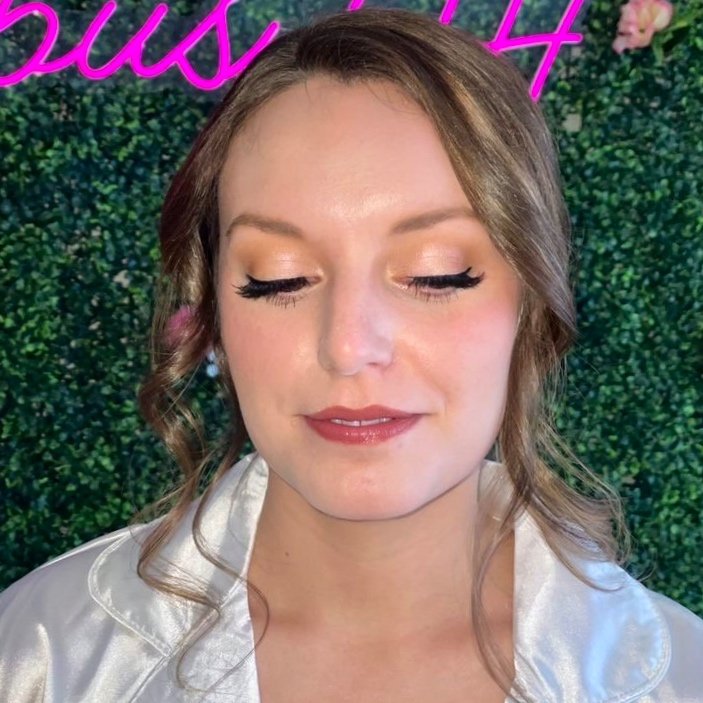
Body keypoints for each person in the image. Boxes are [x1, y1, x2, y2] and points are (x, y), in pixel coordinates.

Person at [0, 7, 701, 702]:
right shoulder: (43, 658)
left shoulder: (678, 678)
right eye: (277, 279)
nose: (348, 346)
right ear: (214, 310)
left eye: (435, 273)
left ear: (533, 300)